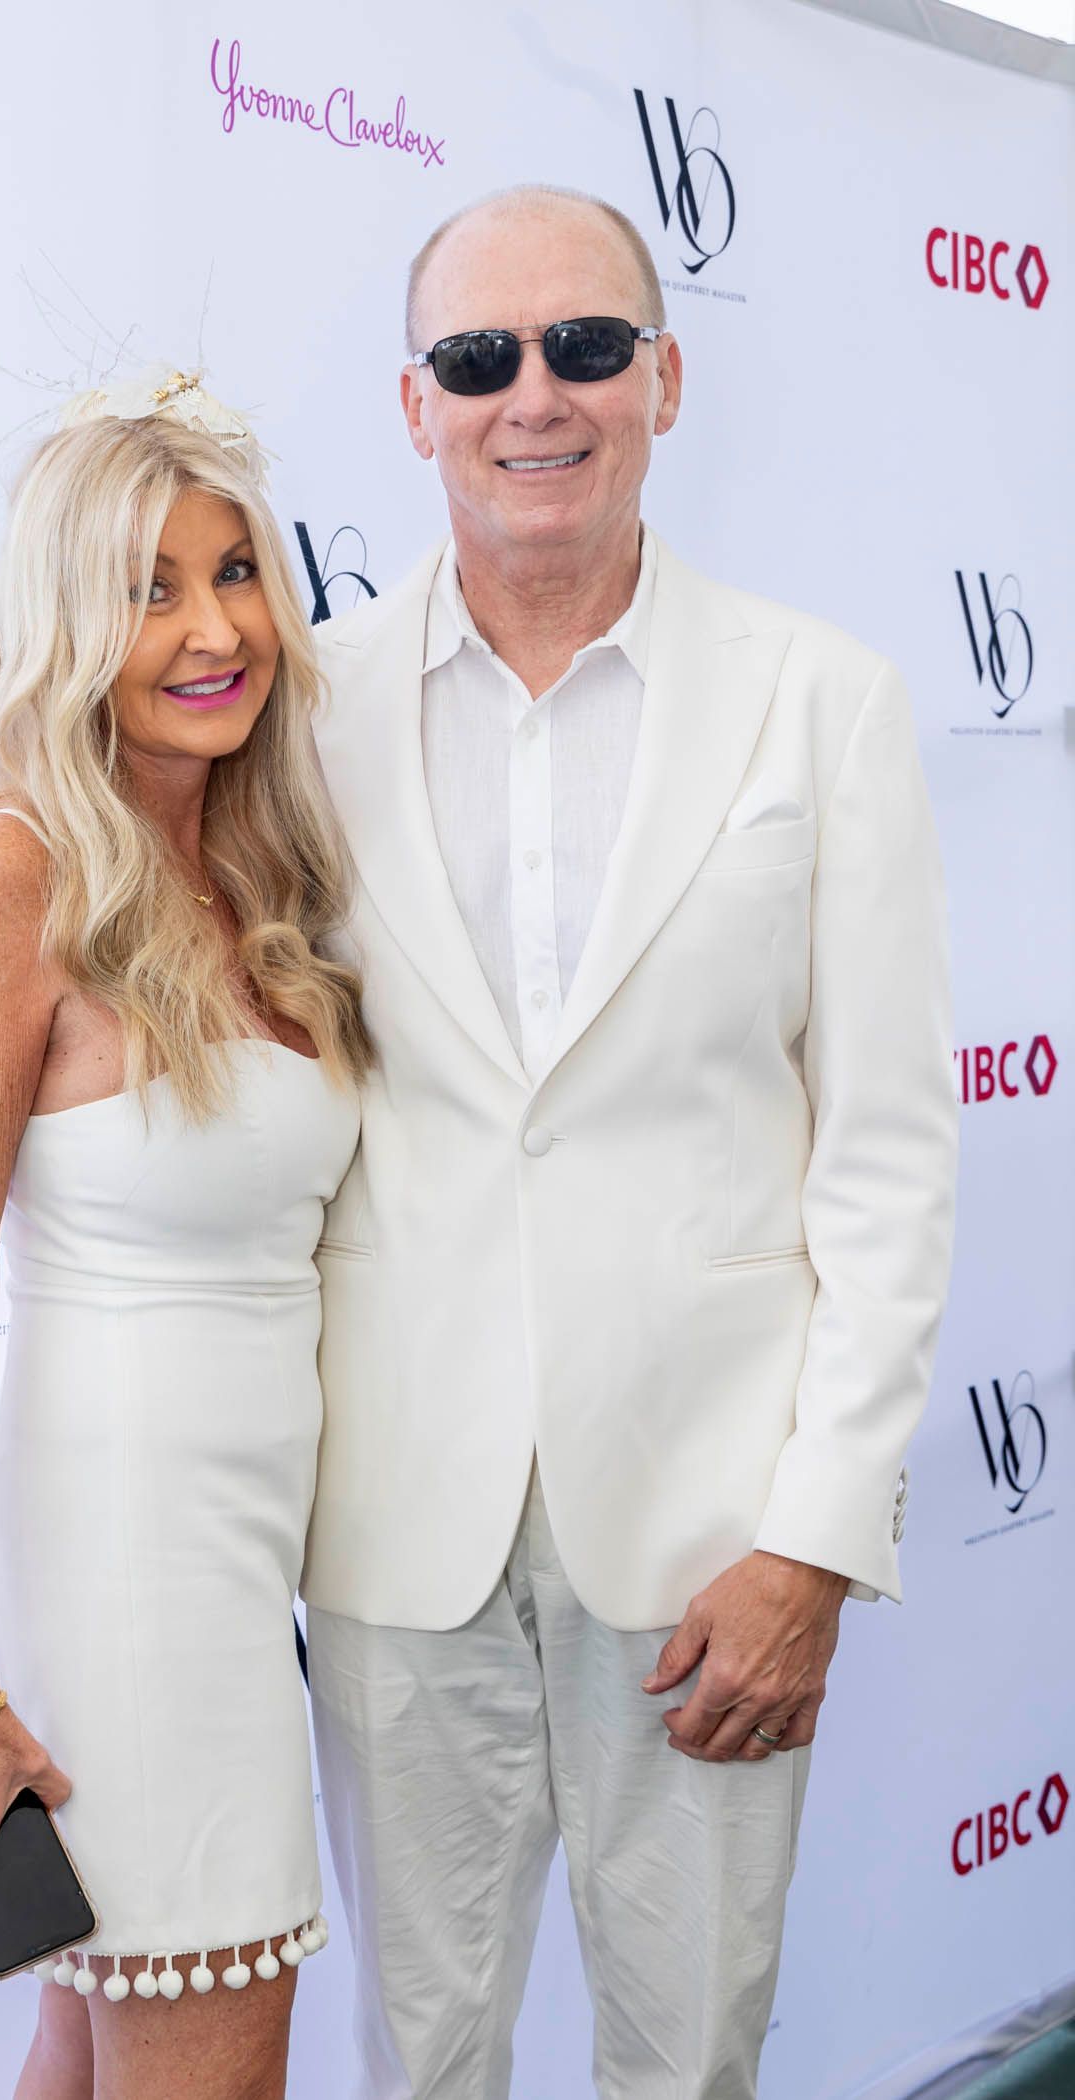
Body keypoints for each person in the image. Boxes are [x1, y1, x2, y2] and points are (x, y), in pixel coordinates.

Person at [302, 186, 959, 2100]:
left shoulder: (824, 702)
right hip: (395, 1524)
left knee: (690, 2061)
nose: (536, 396)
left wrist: (818, 1542)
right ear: (412, 405)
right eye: (478, 358)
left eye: (587, 347)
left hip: (709, 1542)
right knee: (422, 2056)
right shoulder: (296, 714)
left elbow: (892, 1163)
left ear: (665, 378)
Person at [0, 372, 368, 2100]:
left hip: (233, 1573)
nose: (215, 627)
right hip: (120, 1594)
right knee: (203, 2057)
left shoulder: (262, 868)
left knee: (82, 2049)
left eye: (237, 574)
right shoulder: (4, 879)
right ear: (72, 620)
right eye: (151, 588)